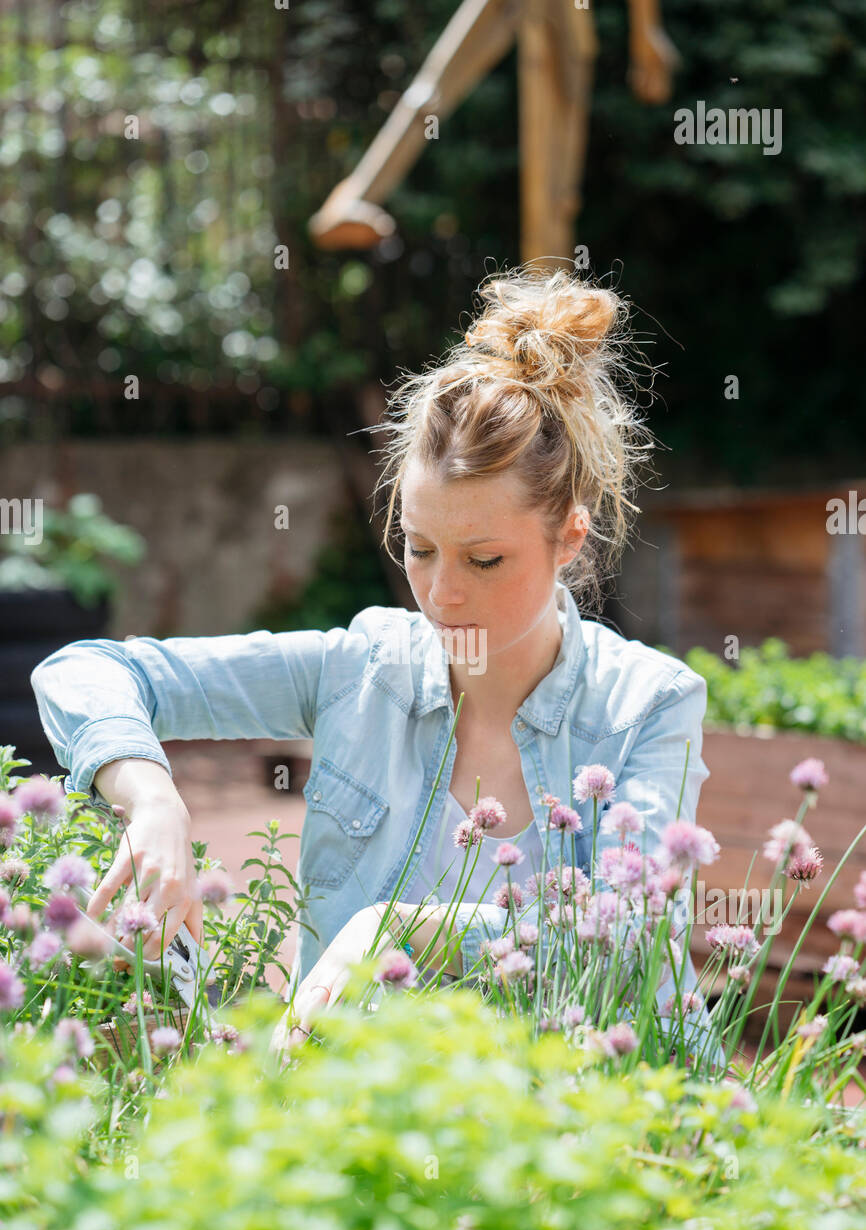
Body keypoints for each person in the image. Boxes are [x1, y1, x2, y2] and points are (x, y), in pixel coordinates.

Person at [30, 265, 718, 1061]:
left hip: (592, 1130)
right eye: (419, 549)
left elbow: (626, 940)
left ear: (568, 537)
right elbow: (83, 670)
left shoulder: (650, 704)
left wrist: (399, 930)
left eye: (484, 560)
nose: (441, 595)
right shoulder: (360, 669)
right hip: (370, 1131)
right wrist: (149, 796)